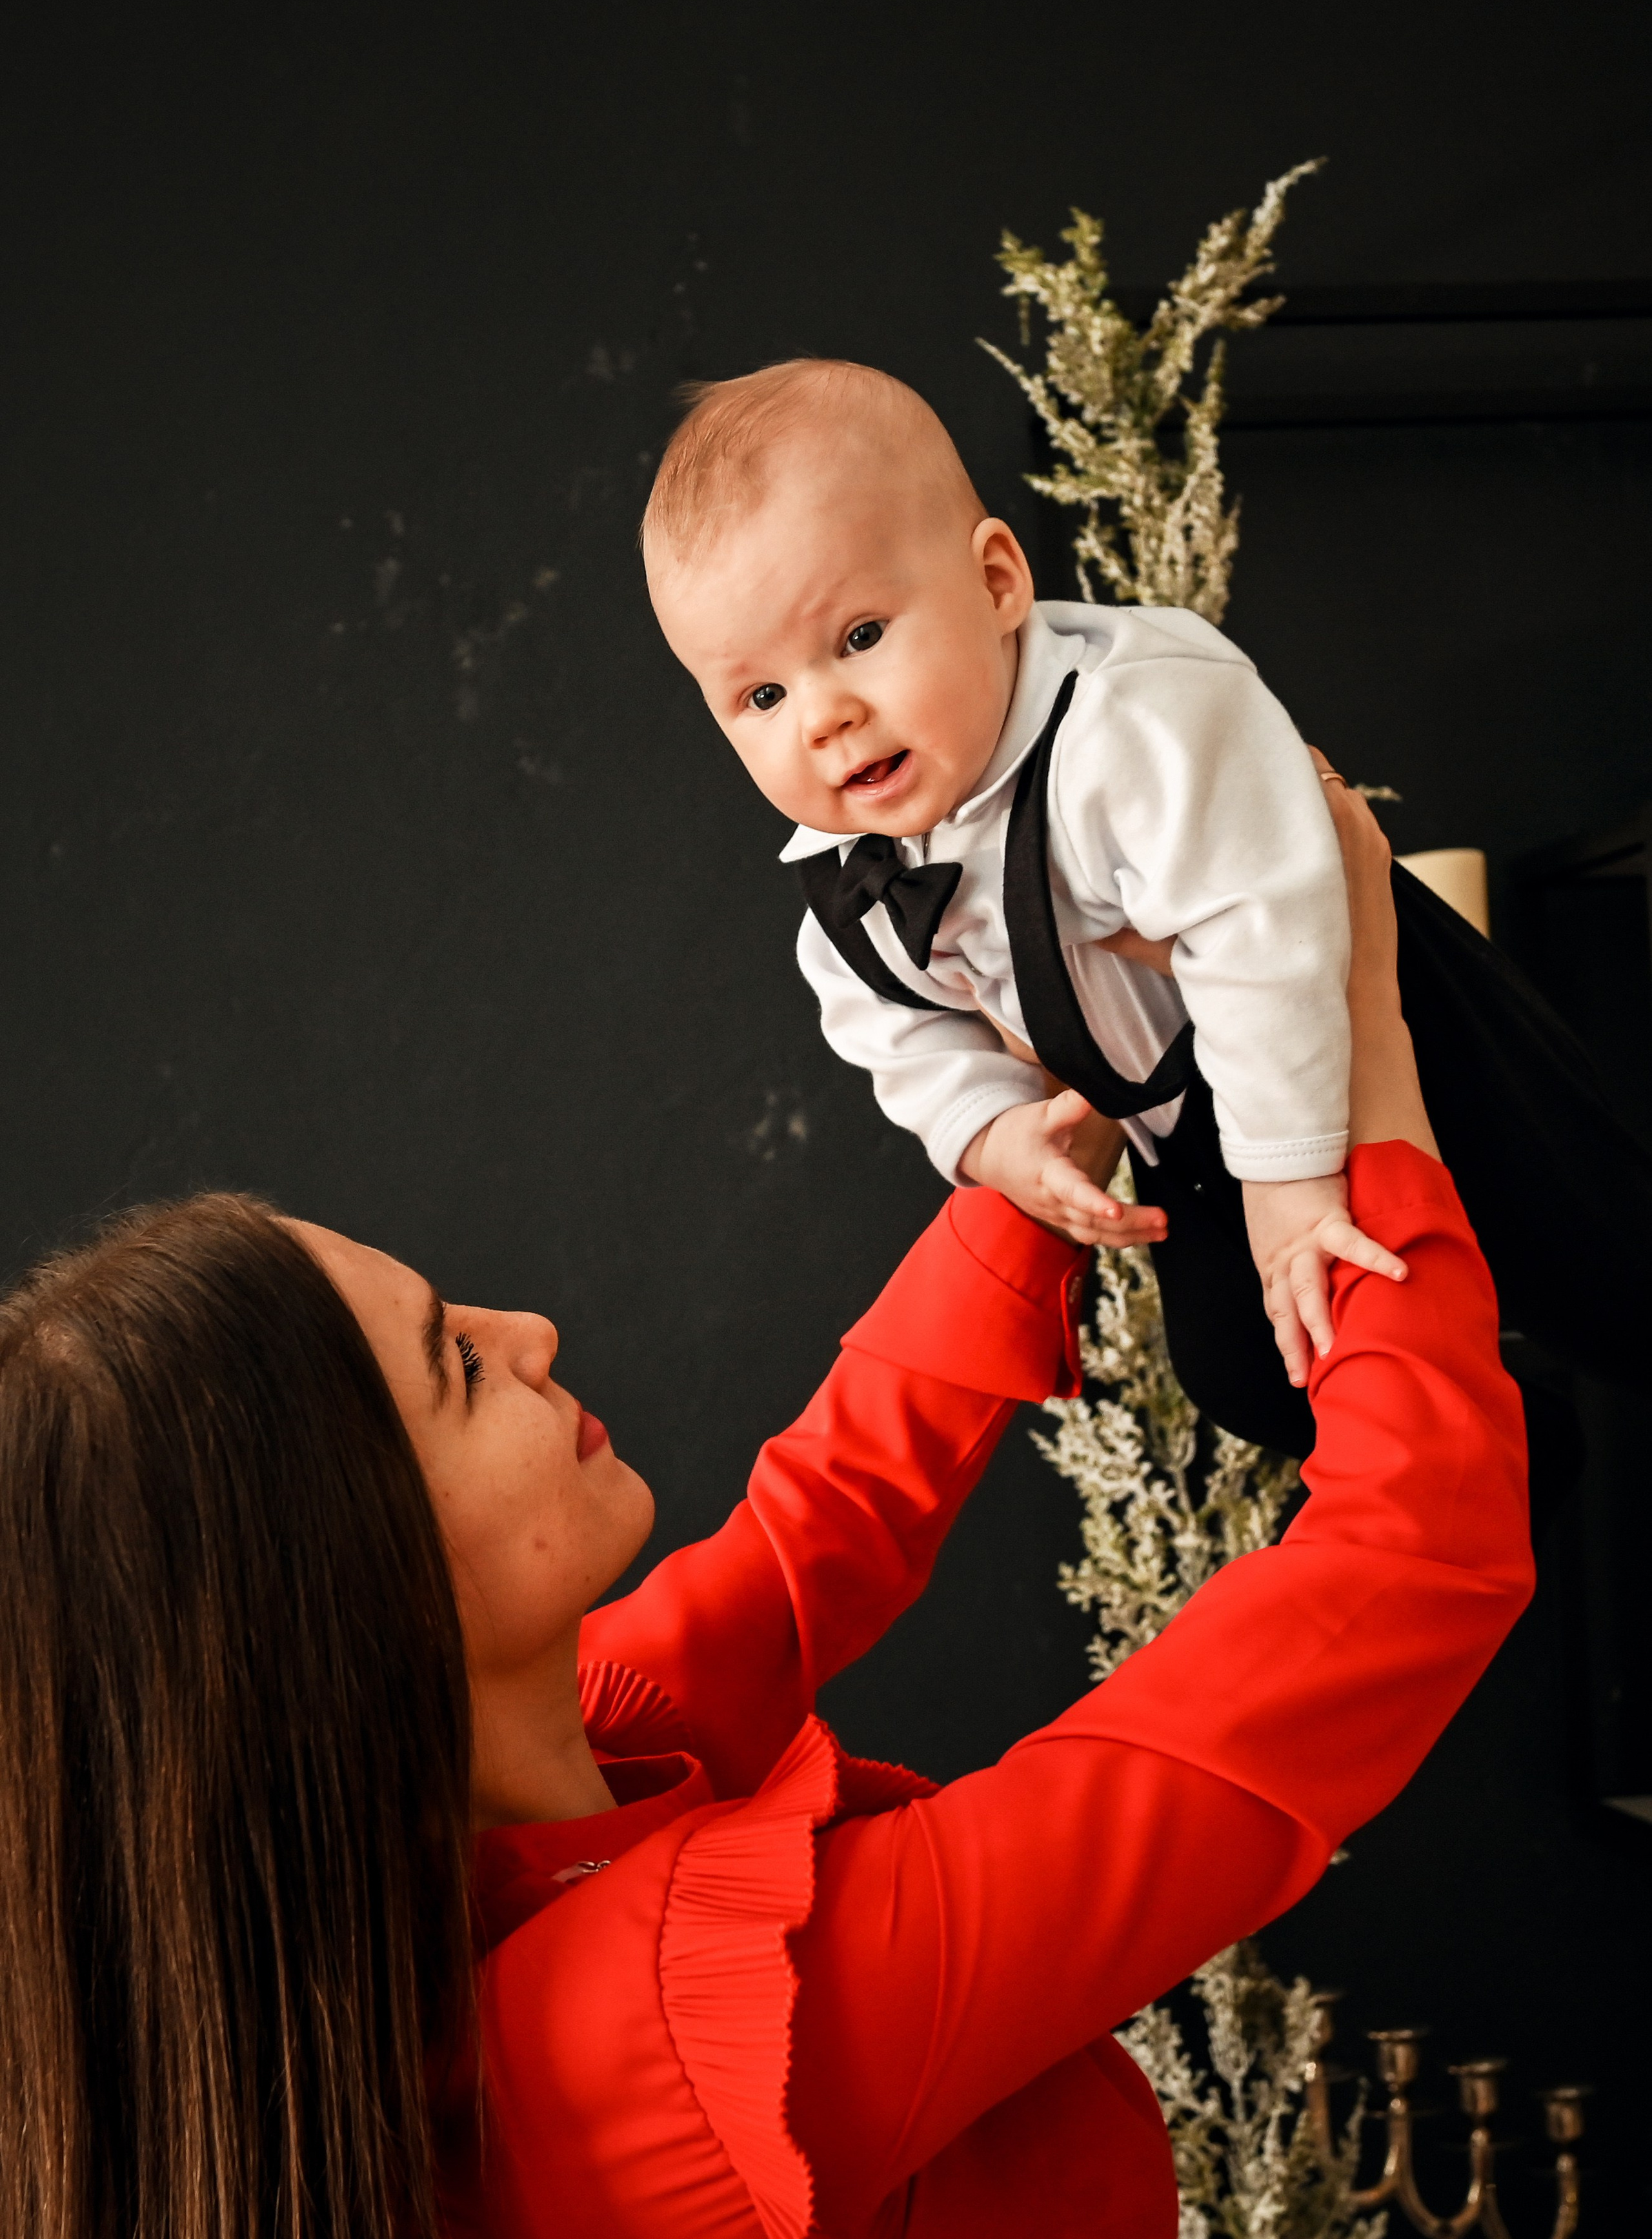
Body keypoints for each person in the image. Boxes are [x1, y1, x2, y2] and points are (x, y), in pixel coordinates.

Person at [0, 780, 1531, 2239]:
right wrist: (1349, 1038)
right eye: (456, 1366)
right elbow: (1402, 1569)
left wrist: (1034, 1147)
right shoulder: (690, 2034)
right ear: (344, 1592)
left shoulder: (546, 1762)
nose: (528, 1332)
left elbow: (832, 1512)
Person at [644, 357, 1652, 1454]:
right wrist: (990, 1133)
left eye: (860, 638)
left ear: (995, 584)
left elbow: (1259, 936)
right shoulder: (852, 878)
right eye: (762, 696)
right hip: (1186, 1130)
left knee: (1590, 1246)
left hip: (1374, 1021)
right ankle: (1523, 1457)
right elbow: (890, 1027)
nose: (824, 718)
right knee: (1248, 1369)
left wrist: (1292, 1183)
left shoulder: (1131, 725)